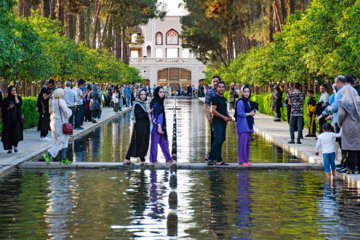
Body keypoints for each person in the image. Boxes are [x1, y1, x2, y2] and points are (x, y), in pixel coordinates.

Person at [42, 89, 72, 165]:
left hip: (53, 122)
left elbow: (50, 111)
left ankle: (63, 159)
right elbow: (66, 112)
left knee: (56, 141)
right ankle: (48, 154)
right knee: (62, 141)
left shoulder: (53, 101)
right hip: (61, 123)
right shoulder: (61, 101)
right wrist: (70, 111)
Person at [207, 81, 232, 166]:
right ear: (217, 88)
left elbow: (225, 111)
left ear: (224, 88)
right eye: (219, 87)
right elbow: (213, 111)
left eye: (222, 87)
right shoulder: (215, 98)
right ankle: (210, 157)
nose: (221, 88)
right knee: (217, 139)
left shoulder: (224, 99)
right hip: (217, 122)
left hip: (223, 123)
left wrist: (228, 116)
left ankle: (219, 160)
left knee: (221, 140)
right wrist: (223, 117)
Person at [124, 89, 151, 165]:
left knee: (142, 143)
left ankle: (142, 160)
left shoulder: (144, 103)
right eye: (141, 94)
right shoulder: (137, 104)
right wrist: (147, 113)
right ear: (139, 95)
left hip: (144, 127)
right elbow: (138, 116)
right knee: (136, 142)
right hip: (139, 127)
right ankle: (127, 158)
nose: (143, 96)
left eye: (144, 94)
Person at [338, 86, 360, 174]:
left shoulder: (343, 102)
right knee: (358, 146)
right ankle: (358, 168)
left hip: (348, 126)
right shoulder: (358, 100)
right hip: (358, 125)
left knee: (349, 147)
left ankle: (350, 168)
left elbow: (341, 115)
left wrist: (339, 123)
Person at [149, 87, 174, 164]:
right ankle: (153, 160)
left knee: (165, 142)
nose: (162, 93)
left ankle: (168, 159)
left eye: (163, 92)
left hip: (162, 126)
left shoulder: (160, 102)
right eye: (160, 92)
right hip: (156, 126)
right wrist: (159, 126)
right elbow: (154, 115)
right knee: (154, 144)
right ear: (157, 93)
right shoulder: (155, 103)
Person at [235, 85, 256, 166]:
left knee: (247, 144)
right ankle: (241, 161)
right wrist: (249, 114)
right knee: (242, 144)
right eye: (245, 91)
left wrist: (253, 111)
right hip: (243, 125)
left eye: (248, 92)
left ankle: (245, 160)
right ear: (242, 92)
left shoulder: (247, 101)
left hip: (248, 125)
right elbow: (239, 113)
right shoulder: (240, 101)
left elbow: (251, 109)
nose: (247, 93)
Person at [1, 86, 23, 153]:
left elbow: (19, 105)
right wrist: (9, 107)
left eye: (15, 90)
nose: (14, 92)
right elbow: (3, 109)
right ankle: (9, 148)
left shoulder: (18, 98)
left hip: (16, 118)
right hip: (8, 119)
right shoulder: (6, 99)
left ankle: (15, 147)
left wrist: (16, 97)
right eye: (13, 90)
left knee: (16, 133)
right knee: (8, 134)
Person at [203, 76, 220, 161]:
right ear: (211, 82)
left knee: (220, 138)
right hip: (213, 118)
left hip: (222, 118)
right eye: (214, 81)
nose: (215, 83)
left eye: (217, 81)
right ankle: (212, 156)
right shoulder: (209, 92)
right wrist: (208, 117)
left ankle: (215, 156)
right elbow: (205, 105)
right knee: (214, 137)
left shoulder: (222, 91)